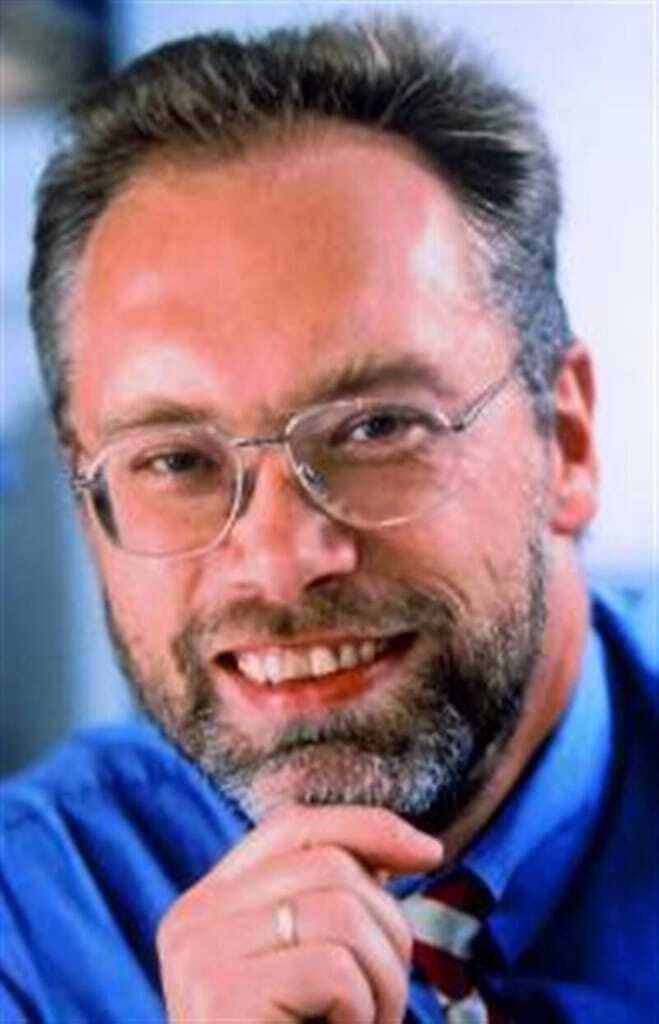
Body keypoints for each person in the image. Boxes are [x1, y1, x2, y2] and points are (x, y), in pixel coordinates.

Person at [1, 16, 656, 1024]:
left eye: (377, 427)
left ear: (563, 439)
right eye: (175, 461)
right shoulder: (33, 919)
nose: (278, 561)